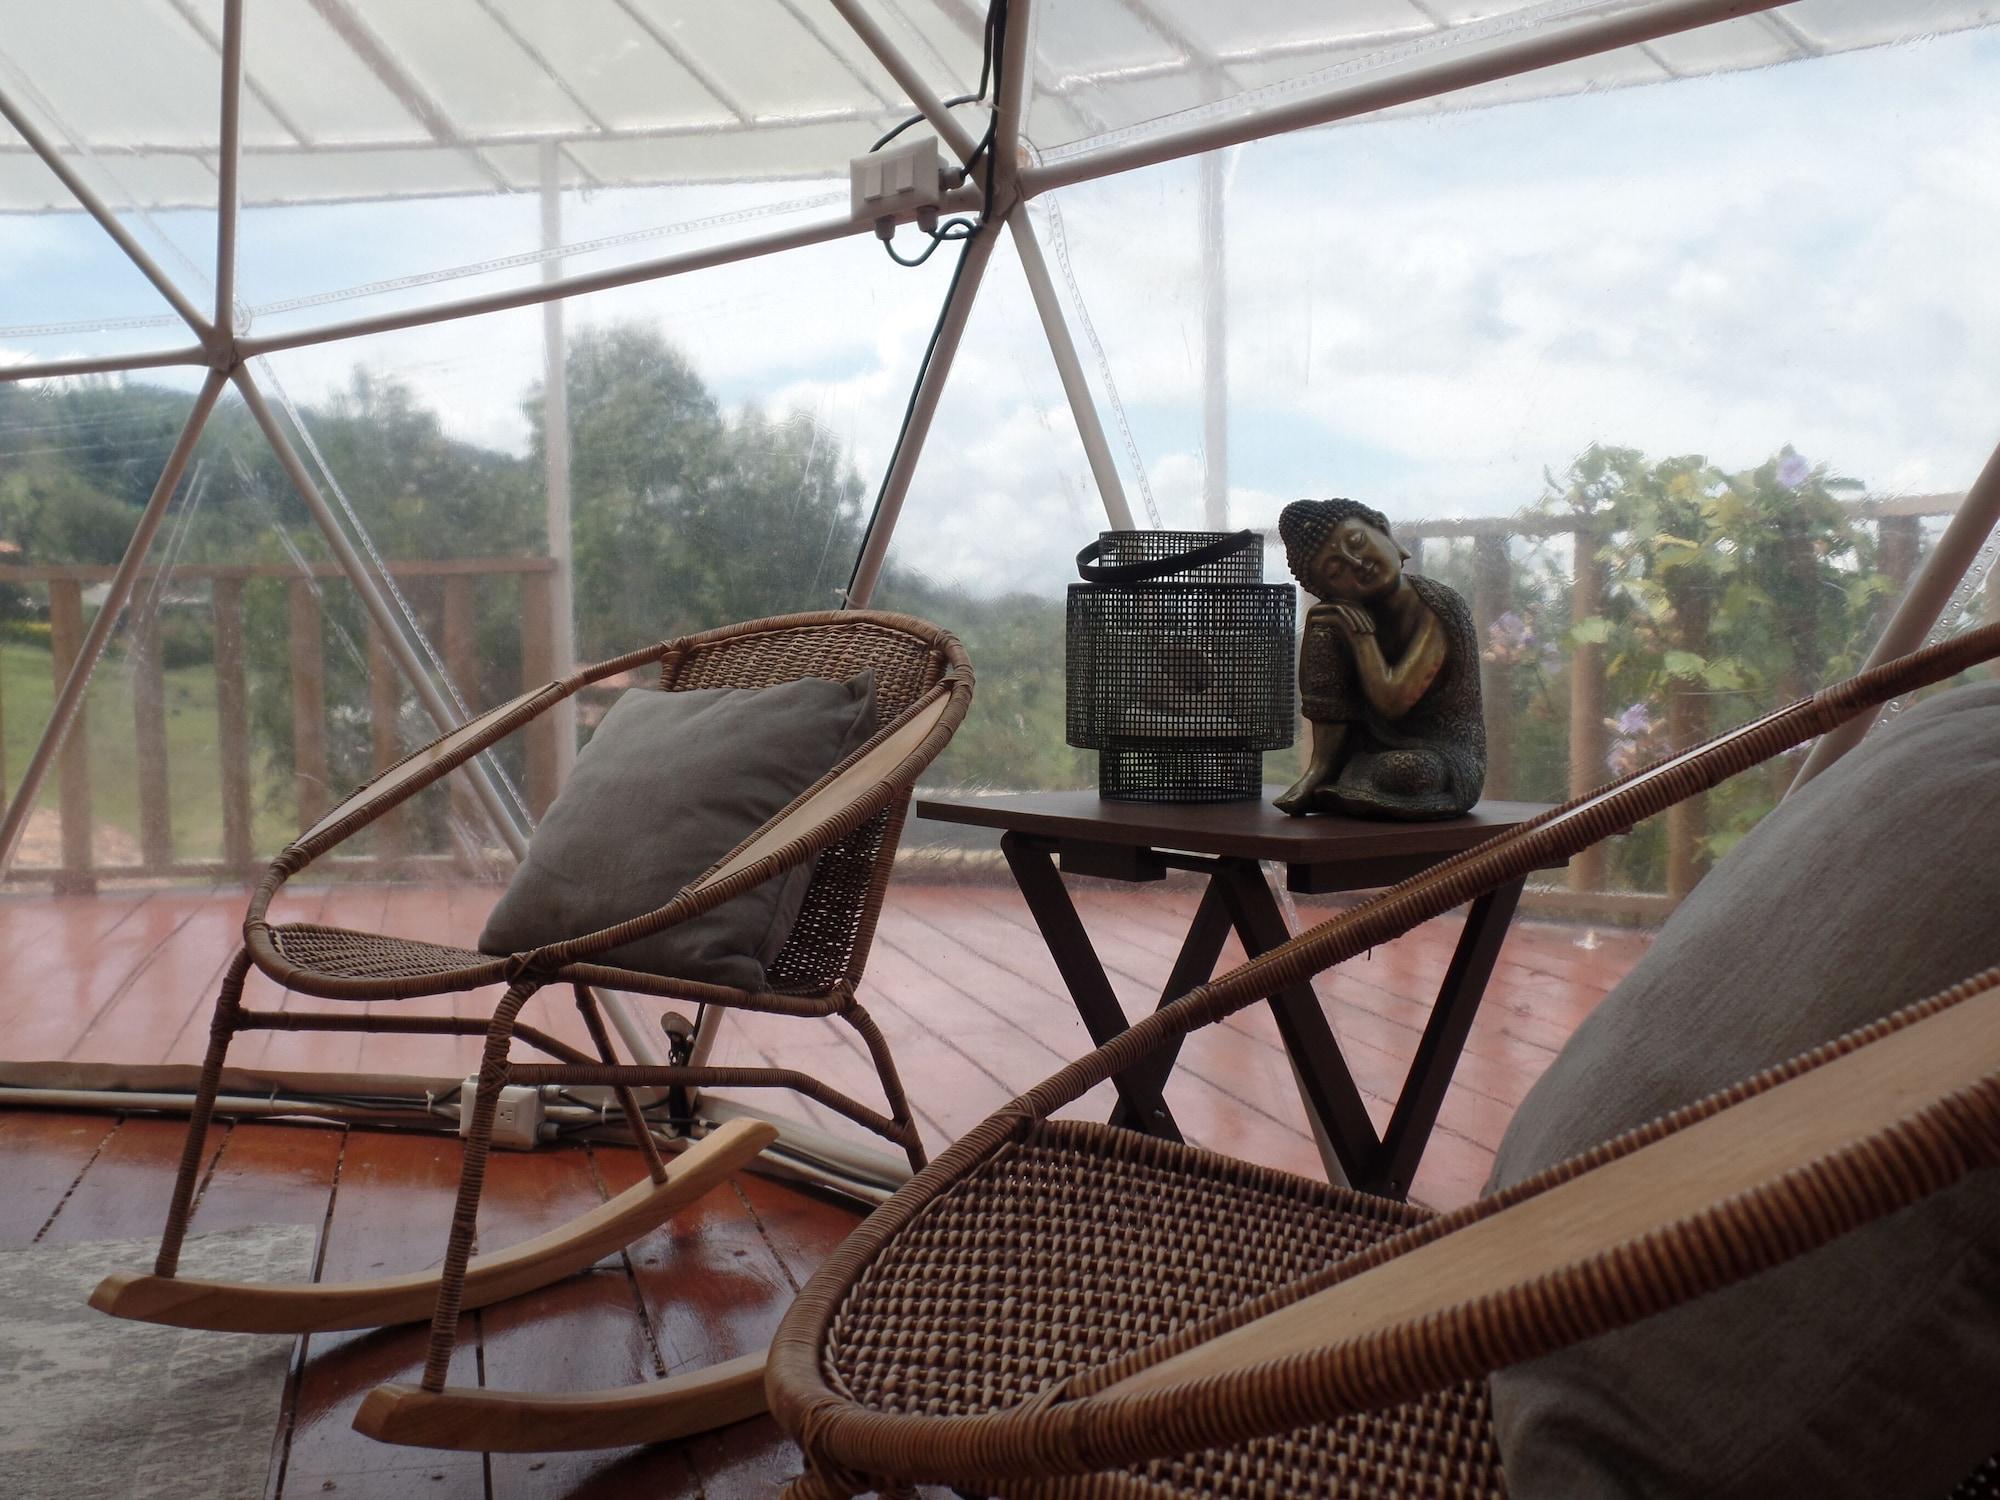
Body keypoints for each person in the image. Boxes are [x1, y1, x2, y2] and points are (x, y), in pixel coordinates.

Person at [1273, 498, 1485, 820]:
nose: (1356, 564)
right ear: (1327, 590)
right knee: (1324, 627)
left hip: (1442, 756)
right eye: (1335, 570)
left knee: (1411, 770)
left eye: (1356, 542)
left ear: (1383, 529)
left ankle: (1346, 786)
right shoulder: (1342, 616)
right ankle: (1324, 773)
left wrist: (1362, 639)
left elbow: (1393, 700)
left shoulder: (1439, 607)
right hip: (1366, 749)